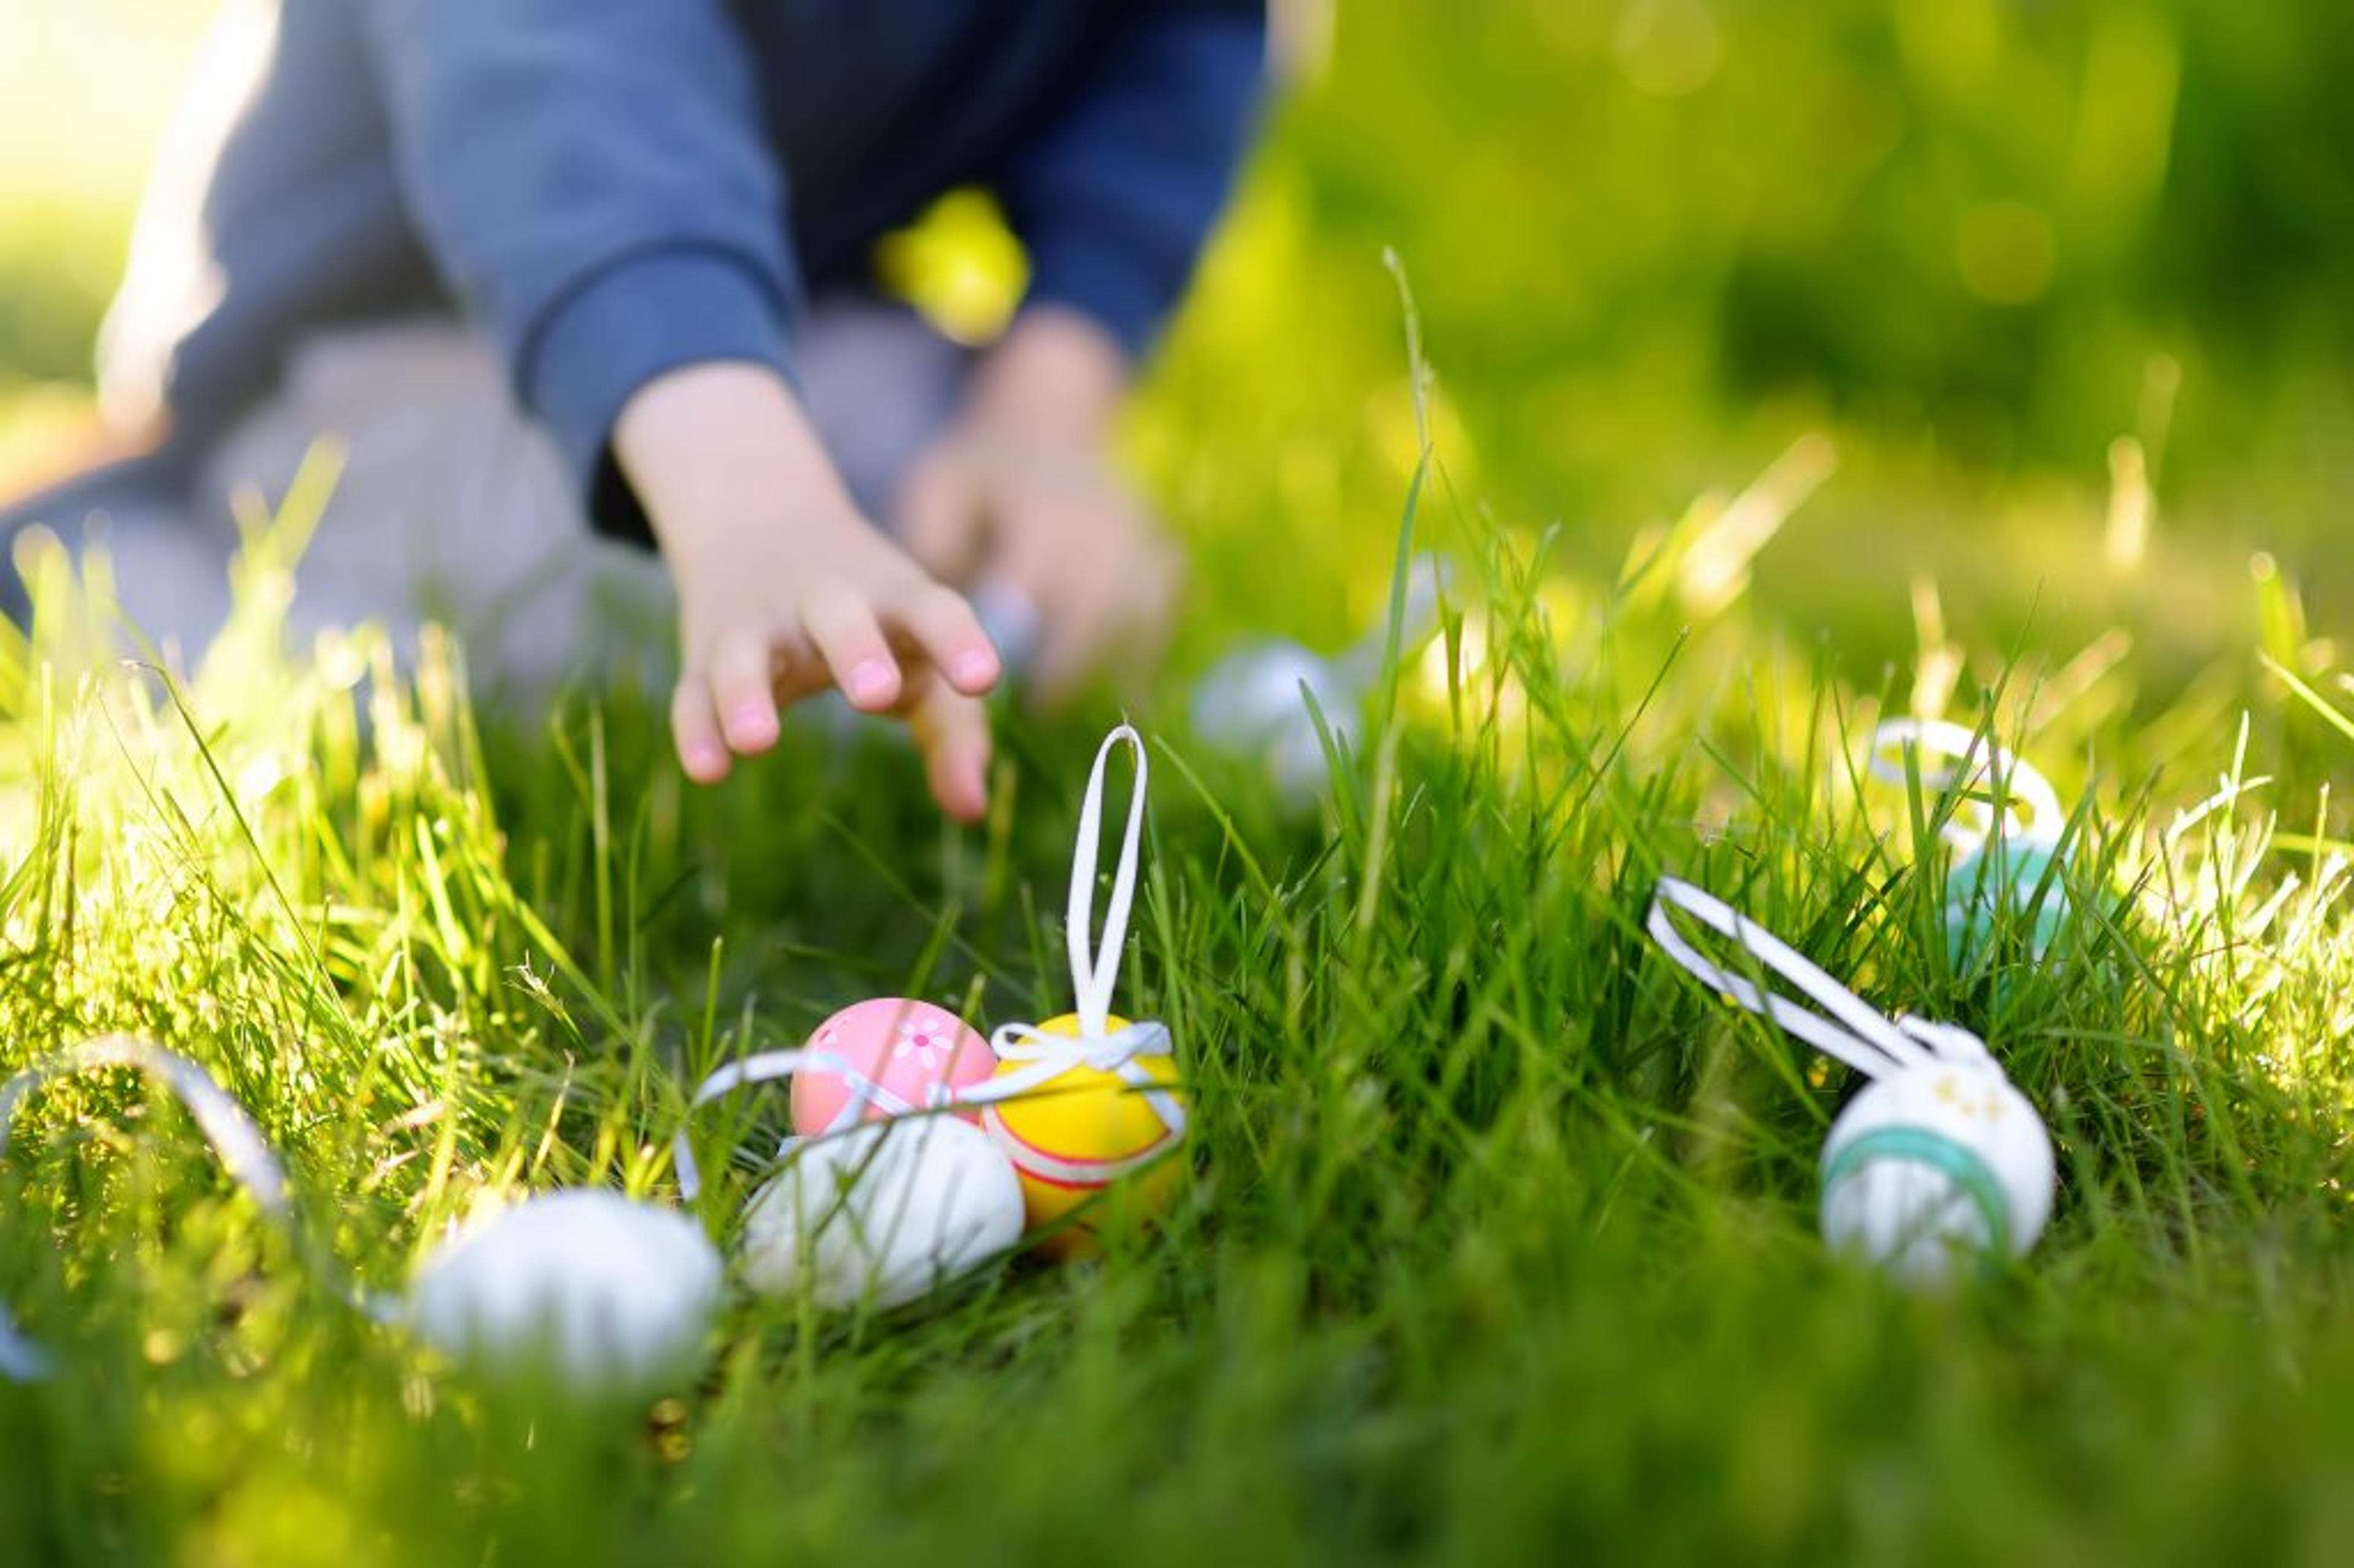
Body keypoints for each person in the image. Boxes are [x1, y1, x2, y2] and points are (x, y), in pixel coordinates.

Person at [0, 0, 1268, 822]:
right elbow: (564, 78)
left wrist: (1043, 410)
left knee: (969, 531)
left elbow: (1174, 54)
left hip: (770, 300)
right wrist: (751, 495)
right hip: (392, 334)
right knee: (490, 677)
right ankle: (123, 575)